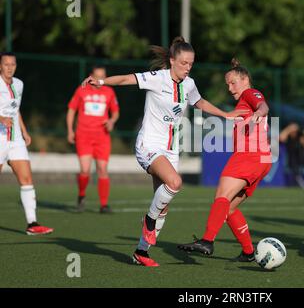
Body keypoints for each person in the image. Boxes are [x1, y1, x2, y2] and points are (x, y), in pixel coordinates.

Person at [82, 37, 245, 267]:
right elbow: (127, 78)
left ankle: (141, 252)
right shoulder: (157, 78)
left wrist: (226, 115)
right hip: (148, 145)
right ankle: (148, 220)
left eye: (191, 63)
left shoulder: (189, 84)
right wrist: (101, 81)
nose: (188, 67)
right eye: (184, 63)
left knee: (164, 204)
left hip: (170, 151)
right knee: (175, 183)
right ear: (172, 61)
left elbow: (200, 103)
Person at [177, 58, 271, 262]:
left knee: (221, 196)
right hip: (261, 159)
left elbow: (263, 105)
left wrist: (259, 113)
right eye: (227, 84)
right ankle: (248, 252)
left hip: (250, 155)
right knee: (228, 209)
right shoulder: (243, 100)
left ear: (245, 79)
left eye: (233, 82)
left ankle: (207, 241)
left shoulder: (249, 93)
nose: (229, 88)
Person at [0, 52, 54, 235]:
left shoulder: (19, 84)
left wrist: (24, 131)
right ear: (0, 66)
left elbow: (16, 110)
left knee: (26, 180)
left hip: (15, 140)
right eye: (6, 64)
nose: (9, 67)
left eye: (12, 64)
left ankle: (32, 224)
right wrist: (0, 118)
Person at [67, 65, 120, 213]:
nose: (100, 79)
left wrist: (111, 121)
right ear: (91, 76)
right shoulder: (82, 90)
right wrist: (70, 130)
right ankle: (81, 195)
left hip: (102, 137)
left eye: (103, 76)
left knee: (102, 169)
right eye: (97, 76)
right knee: (85, 170)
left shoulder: (109, 91)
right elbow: (71, 110)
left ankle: (104, 204)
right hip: (83, 135)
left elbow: (115, 112)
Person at [280, 123, 304, 188]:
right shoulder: (288, 138)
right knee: (295, 168)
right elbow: (281, 138)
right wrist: (288, 129)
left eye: (295, 130)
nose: (294, 132)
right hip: (292, 160)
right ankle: (302, 185)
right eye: (292, 130)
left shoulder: (300, 136)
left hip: (302, 158)